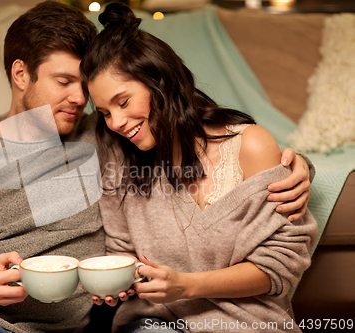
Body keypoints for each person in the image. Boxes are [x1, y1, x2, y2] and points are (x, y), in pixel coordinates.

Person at [0, 1, 311, 332]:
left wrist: (294, 166)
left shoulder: (106, 137)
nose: (80, 99)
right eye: (63, 81)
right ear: (21, 75)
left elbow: (191, 136)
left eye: (86, 88)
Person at [79, 3, 317, 333]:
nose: (116, 122)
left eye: (123, 102)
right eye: (105, 112)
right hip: (155, 324)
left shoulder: (250, 146)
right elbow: (123, 252)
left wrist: (187, 285)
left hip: (248, 325)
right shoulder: (118, 157)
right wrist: (116, 279)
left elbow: (279, 267)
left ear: (161, 82)